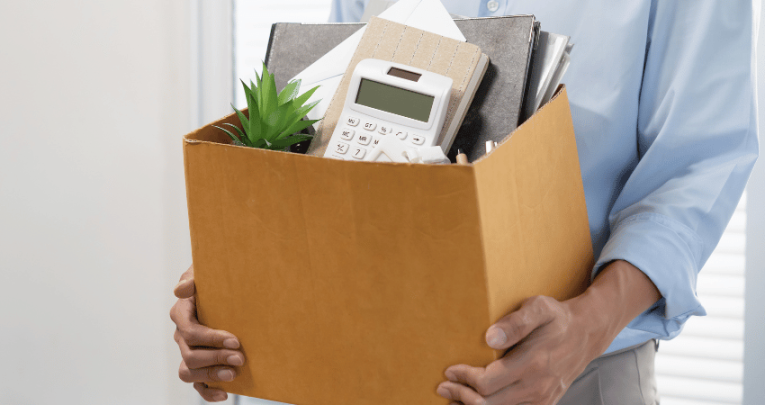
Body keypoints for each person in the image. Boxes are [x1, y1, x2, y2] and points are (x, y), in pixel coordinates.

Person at [170, 0, 759, 403]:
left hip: (581, 376)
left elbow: (698, 162)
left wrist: (586, 328)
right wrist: (236, 281)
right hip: (372, 361)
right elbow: (332, 134)